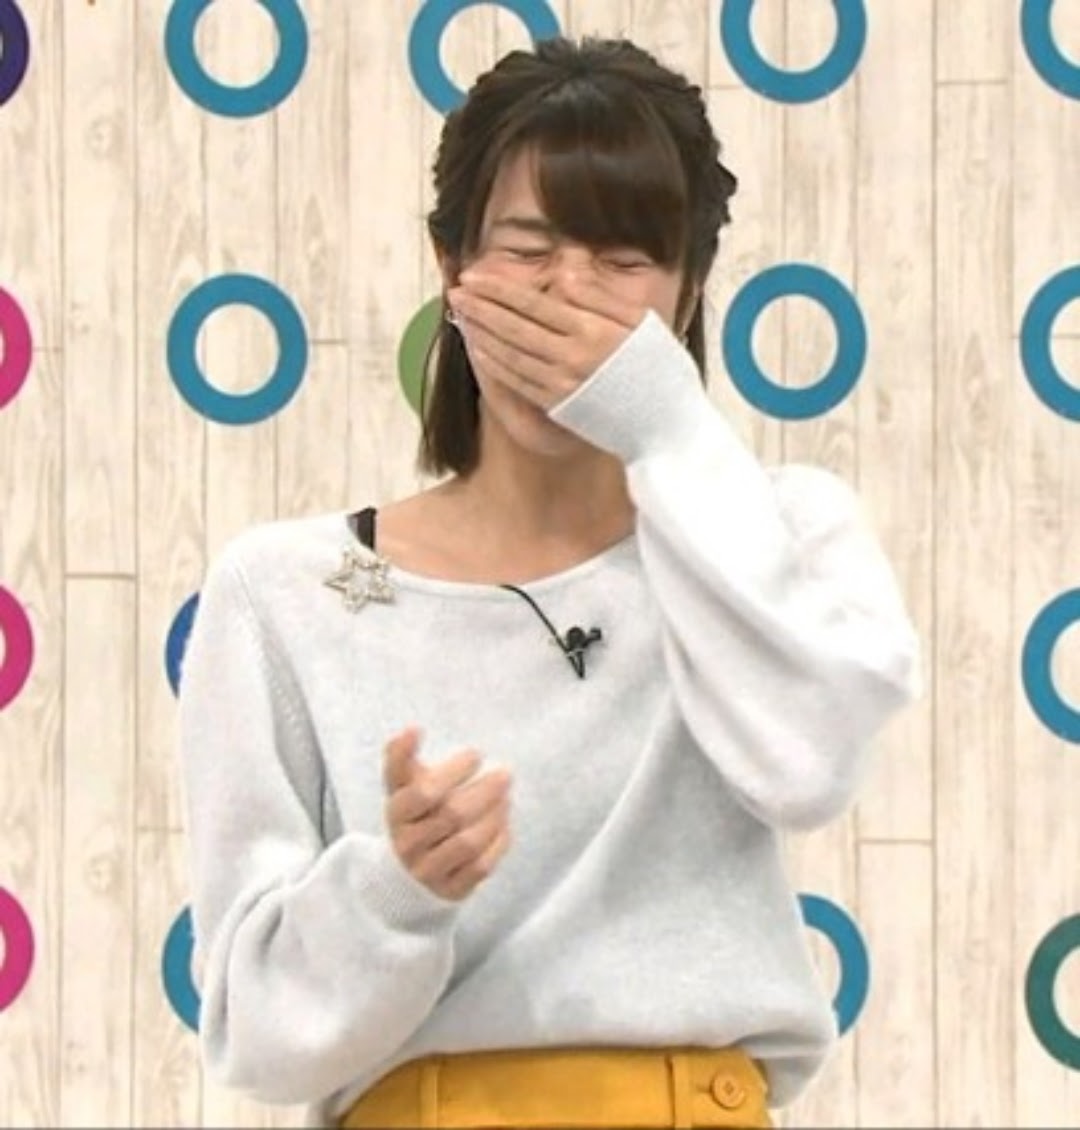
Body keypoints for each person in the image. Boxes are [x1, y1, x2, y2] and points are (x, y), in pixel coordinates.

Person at [177, 35, 921, 1130]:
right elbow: (253, 1029)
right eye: (527, 248)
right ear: (450, 270)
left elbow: (808, 766)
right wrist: (395, 889)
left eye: (624, 260)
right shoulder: (286, 591)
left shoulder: (786, 532)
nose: (566, 296)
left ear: (689, 293)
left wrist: (666, 424)